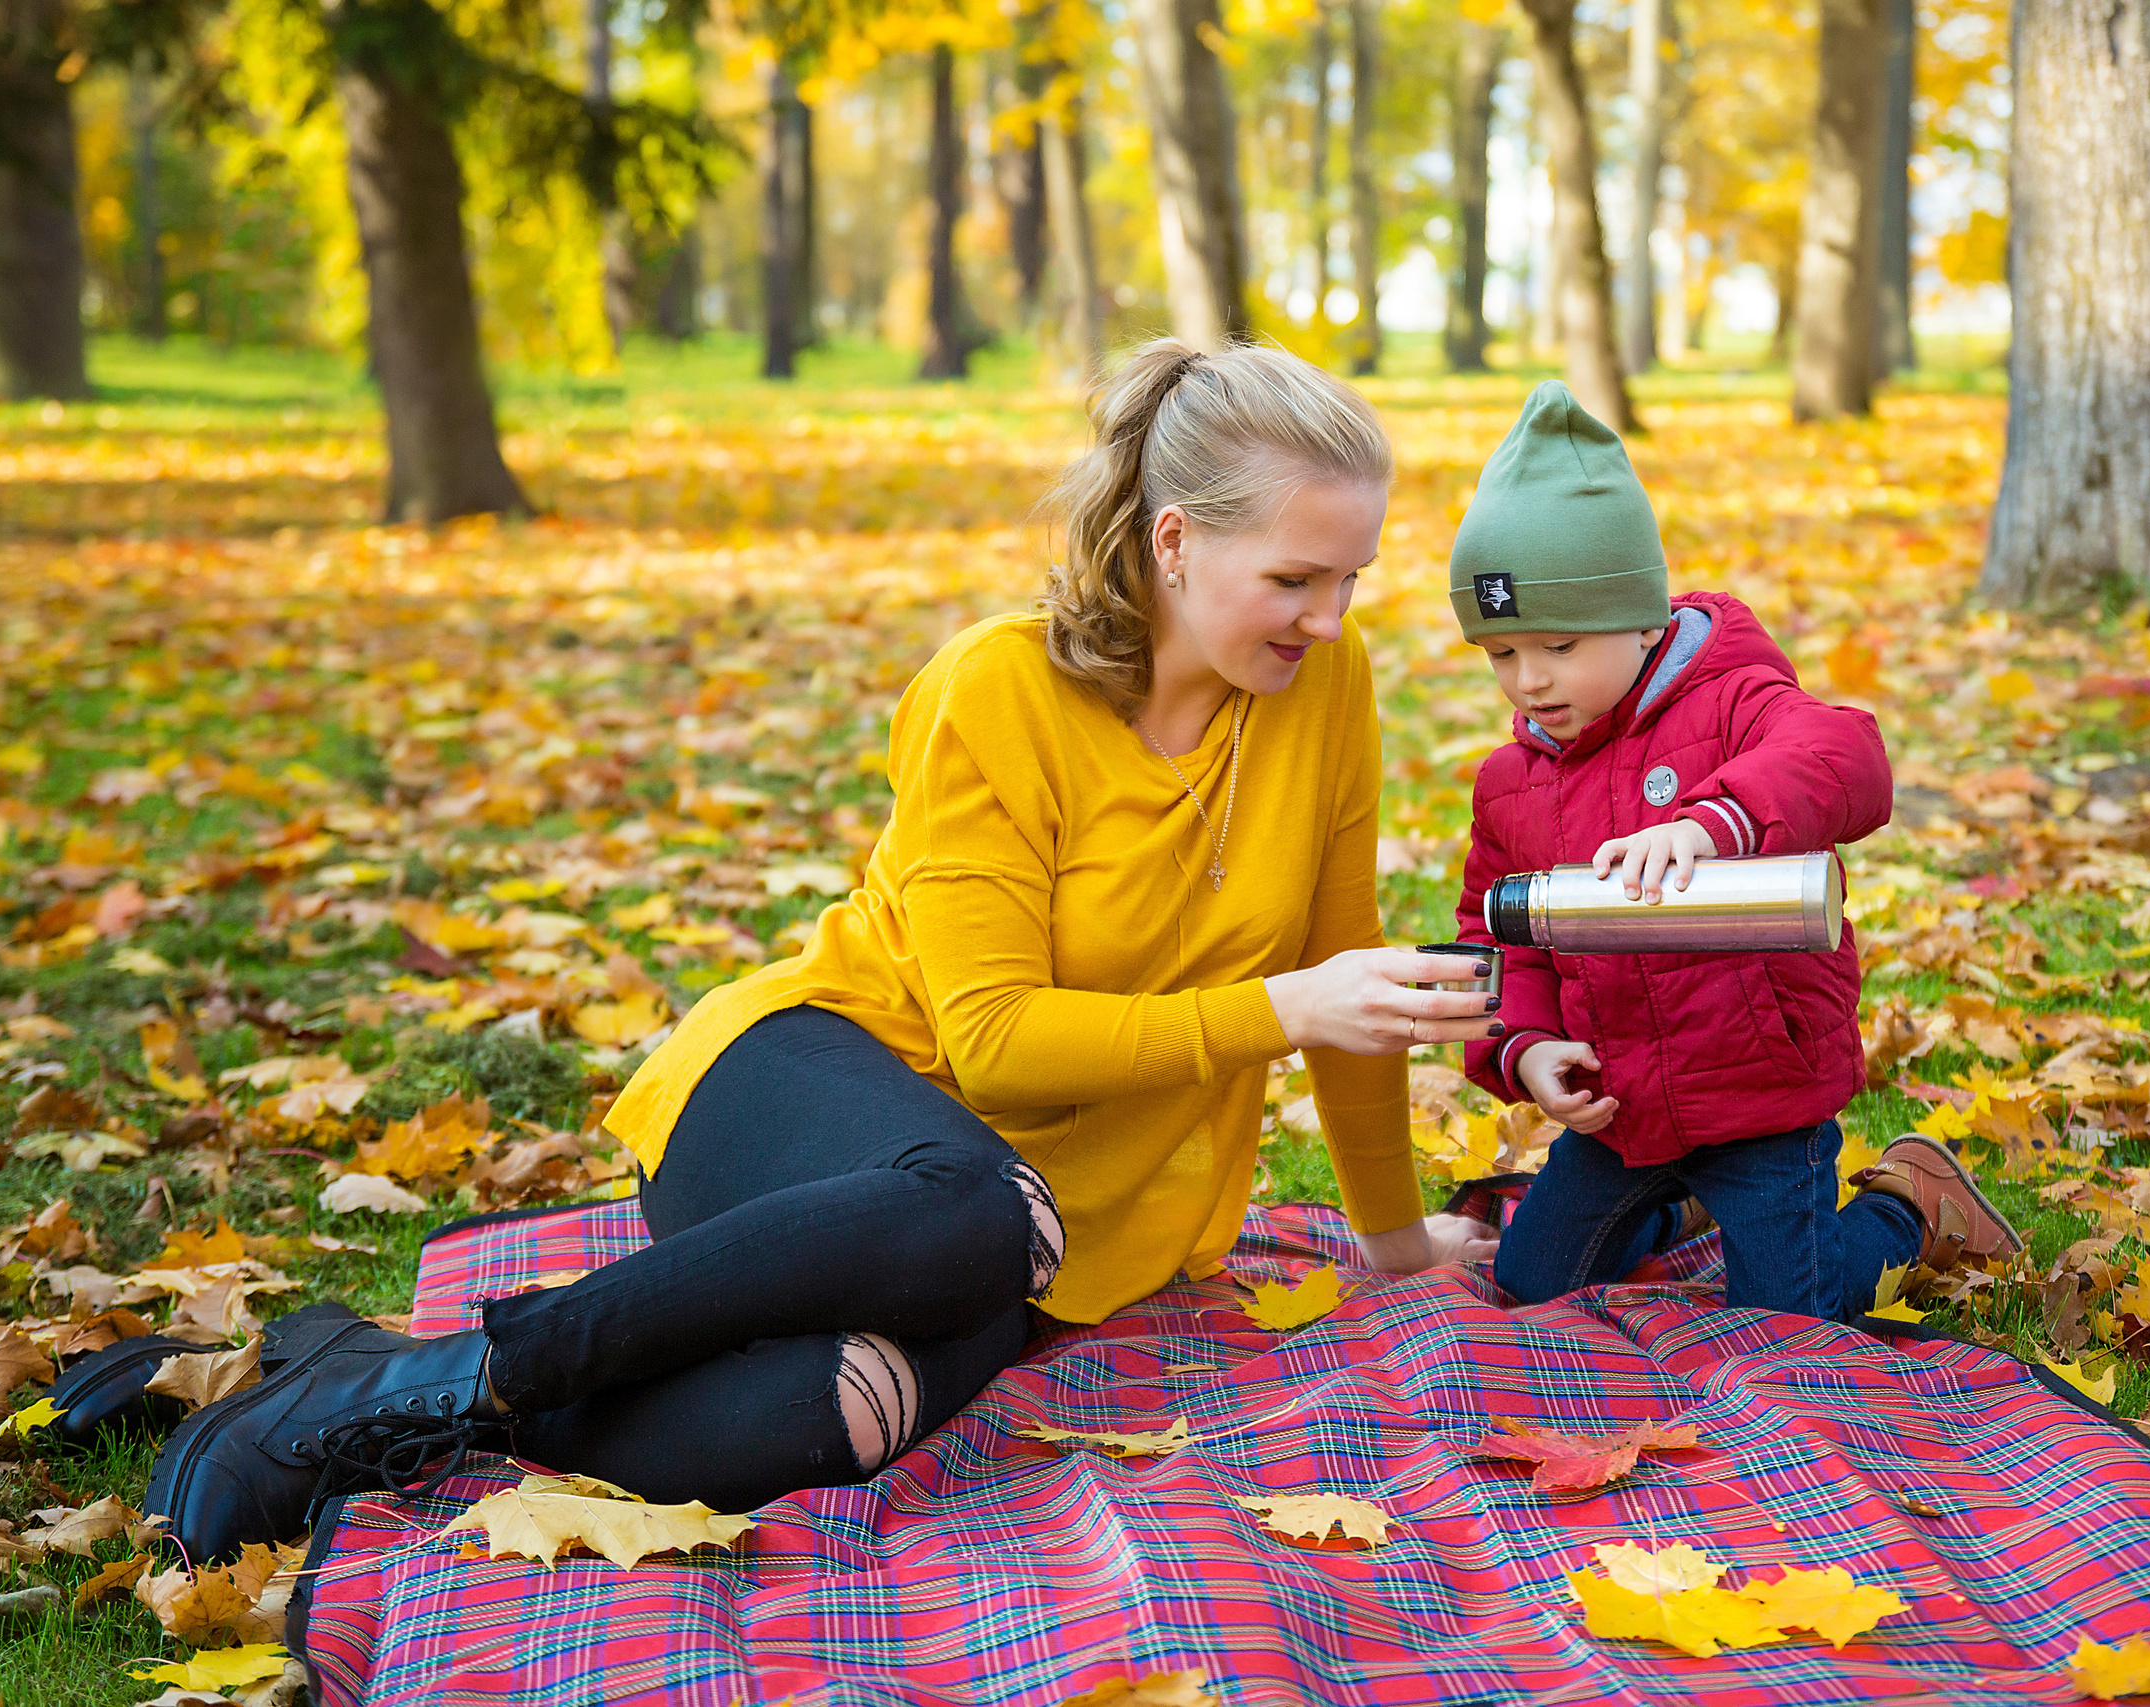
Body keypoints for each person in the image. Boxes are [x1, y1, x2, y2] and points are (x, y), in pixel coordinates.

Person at [139, 340, 1504, 1562]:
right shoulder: (997, 691)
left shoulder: (1324, 690)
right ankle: (434, 1381)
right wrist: (1279, 1004)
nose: (1330, 616)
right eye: (1296, 577)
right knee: (982, 1204)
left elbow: (1348, 978)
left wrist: (1388, 1230)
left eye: (1350, 577)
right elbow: (996, 1043)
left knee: (842, 1404)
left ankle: (393, 1388)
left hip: (1006, 1236)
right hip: (801, 1096)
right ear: (1173, 541)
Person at [1447, 381, 2019, 1320]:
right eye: (1501, 653)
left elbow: (1849, 758)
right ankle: (1667, 1207)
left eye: (1557, 642)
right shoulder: (1509, 782)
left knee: (1791, 1319)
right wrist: (1528, 1048)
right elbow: (1498, 936)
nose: (1530, 678)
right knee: (1530, 1281)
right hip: (1623, 1107)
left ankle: (1910, 1204)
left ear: (1640, 618)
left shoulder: (1731, 701)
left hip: (1761, 1099)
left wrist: (1710, 824)